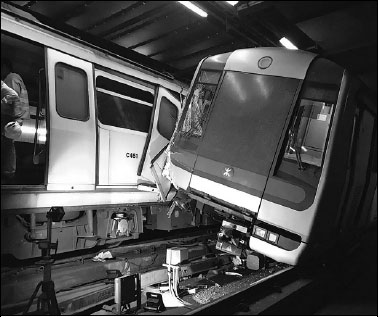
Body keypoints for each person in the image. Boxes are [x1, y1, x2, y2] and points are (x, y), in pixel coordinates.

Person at [1, 80, 20, 181]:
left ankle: (8, 172)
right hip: (6, 118)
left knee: (7, 144)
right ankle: (8, 172)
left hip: (4, 118)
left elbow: (14, 95)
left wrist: (3, 102)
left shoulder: (3, 84)